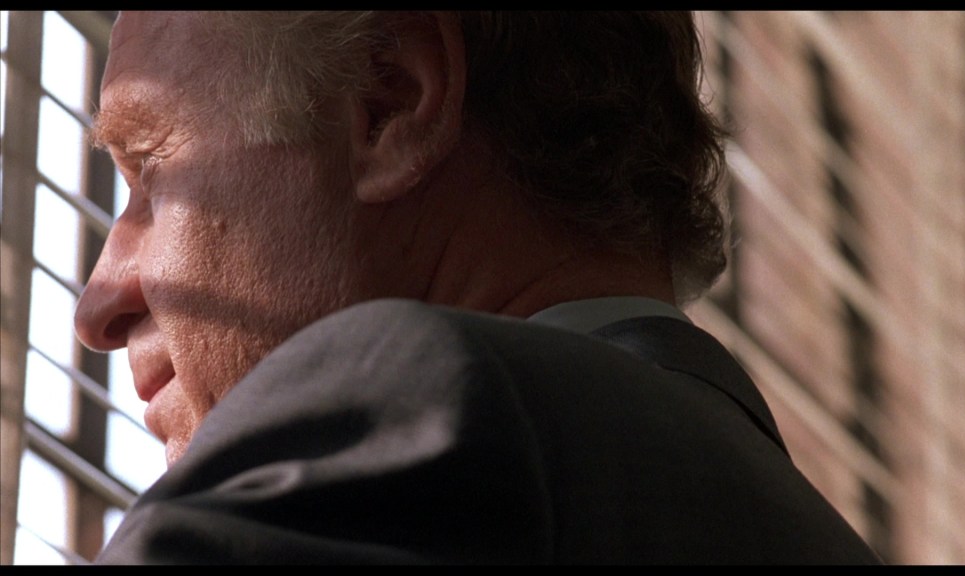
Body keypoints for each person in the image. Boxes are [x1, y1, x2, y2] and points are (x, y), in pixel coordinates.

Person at [74, 11, 882, 564]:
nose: (96, 308)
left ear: (388, 102)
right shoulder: (777, 519)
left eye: (151, 172)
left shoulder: (428, 407)